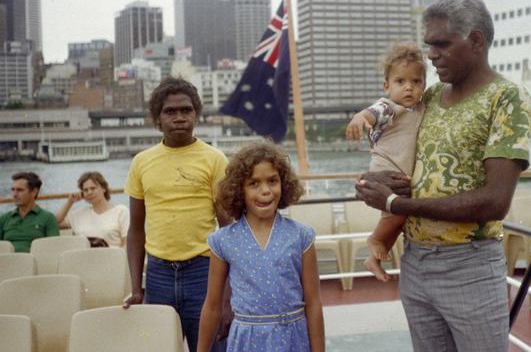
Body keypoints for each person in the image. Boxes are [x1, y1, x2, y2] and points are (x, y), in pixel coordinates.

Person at [354, 0, 531, 352]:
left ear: (477, 41)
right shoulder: (429, 97)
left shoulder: (507, 99)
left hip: (469, 266)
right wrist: (371, 183)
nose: (431, 54)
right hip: (416, 262)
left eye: (441, 44)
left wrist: (395, 204)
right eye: (428, 45)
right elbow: (397, 157)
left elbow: (495, 202)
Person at [123, 77, 231, 352]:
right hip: (158, 275)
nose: (179, 117)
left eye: (186, 110)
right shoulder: (142, 162)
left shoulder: (214, 159)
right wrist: (138, 288)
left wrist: (229, 295)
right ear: (157, 119)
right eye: (170, 111)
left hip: (204, 272)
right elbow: (136, 230)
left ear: (196, 114)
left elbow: (229, 229)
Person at [197, 141, 324, 352]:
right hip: (246, 342)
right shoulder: (222, 241)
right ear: (239, 190)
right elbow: (212, 306)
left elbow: (313, 304)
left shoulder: (302, 236)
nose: (265, 191)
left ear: (284, 184)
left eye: (272, 181)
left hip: (294, 340)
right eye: (254, 183)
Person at [345, 41, 426, 281]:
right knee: (396, 214)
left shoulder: (420, 108)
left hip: (401, 174)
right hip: (386, 170)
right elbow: (373, 113)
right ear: (387, 86)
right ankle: (376, 240)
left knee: (398, 218)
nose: (409, 88)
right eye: (401, 82)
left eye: (416, 81)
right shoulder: (389, 107)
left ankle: (373, 259)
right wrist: (361, 118)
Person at [55, 171, 128, 247]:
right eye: (85, 190)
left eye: (93, 188)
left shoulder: (121, 211)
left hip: (111, 256)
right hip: (84, 256)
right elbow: (55, 223)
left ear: (104, 189)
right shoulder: (79, 215)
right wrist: (70, 202)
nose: (89, 192)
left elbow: (126, 243)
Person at [0, 172, 59, 252]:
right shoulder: (4, 219)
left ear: (34, 192)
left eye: (19, 190)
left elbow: (54, 248)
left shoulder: (48, 218)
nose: (14, 194)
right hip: (8, 262)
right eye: (13, 190)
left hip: (37, 262)